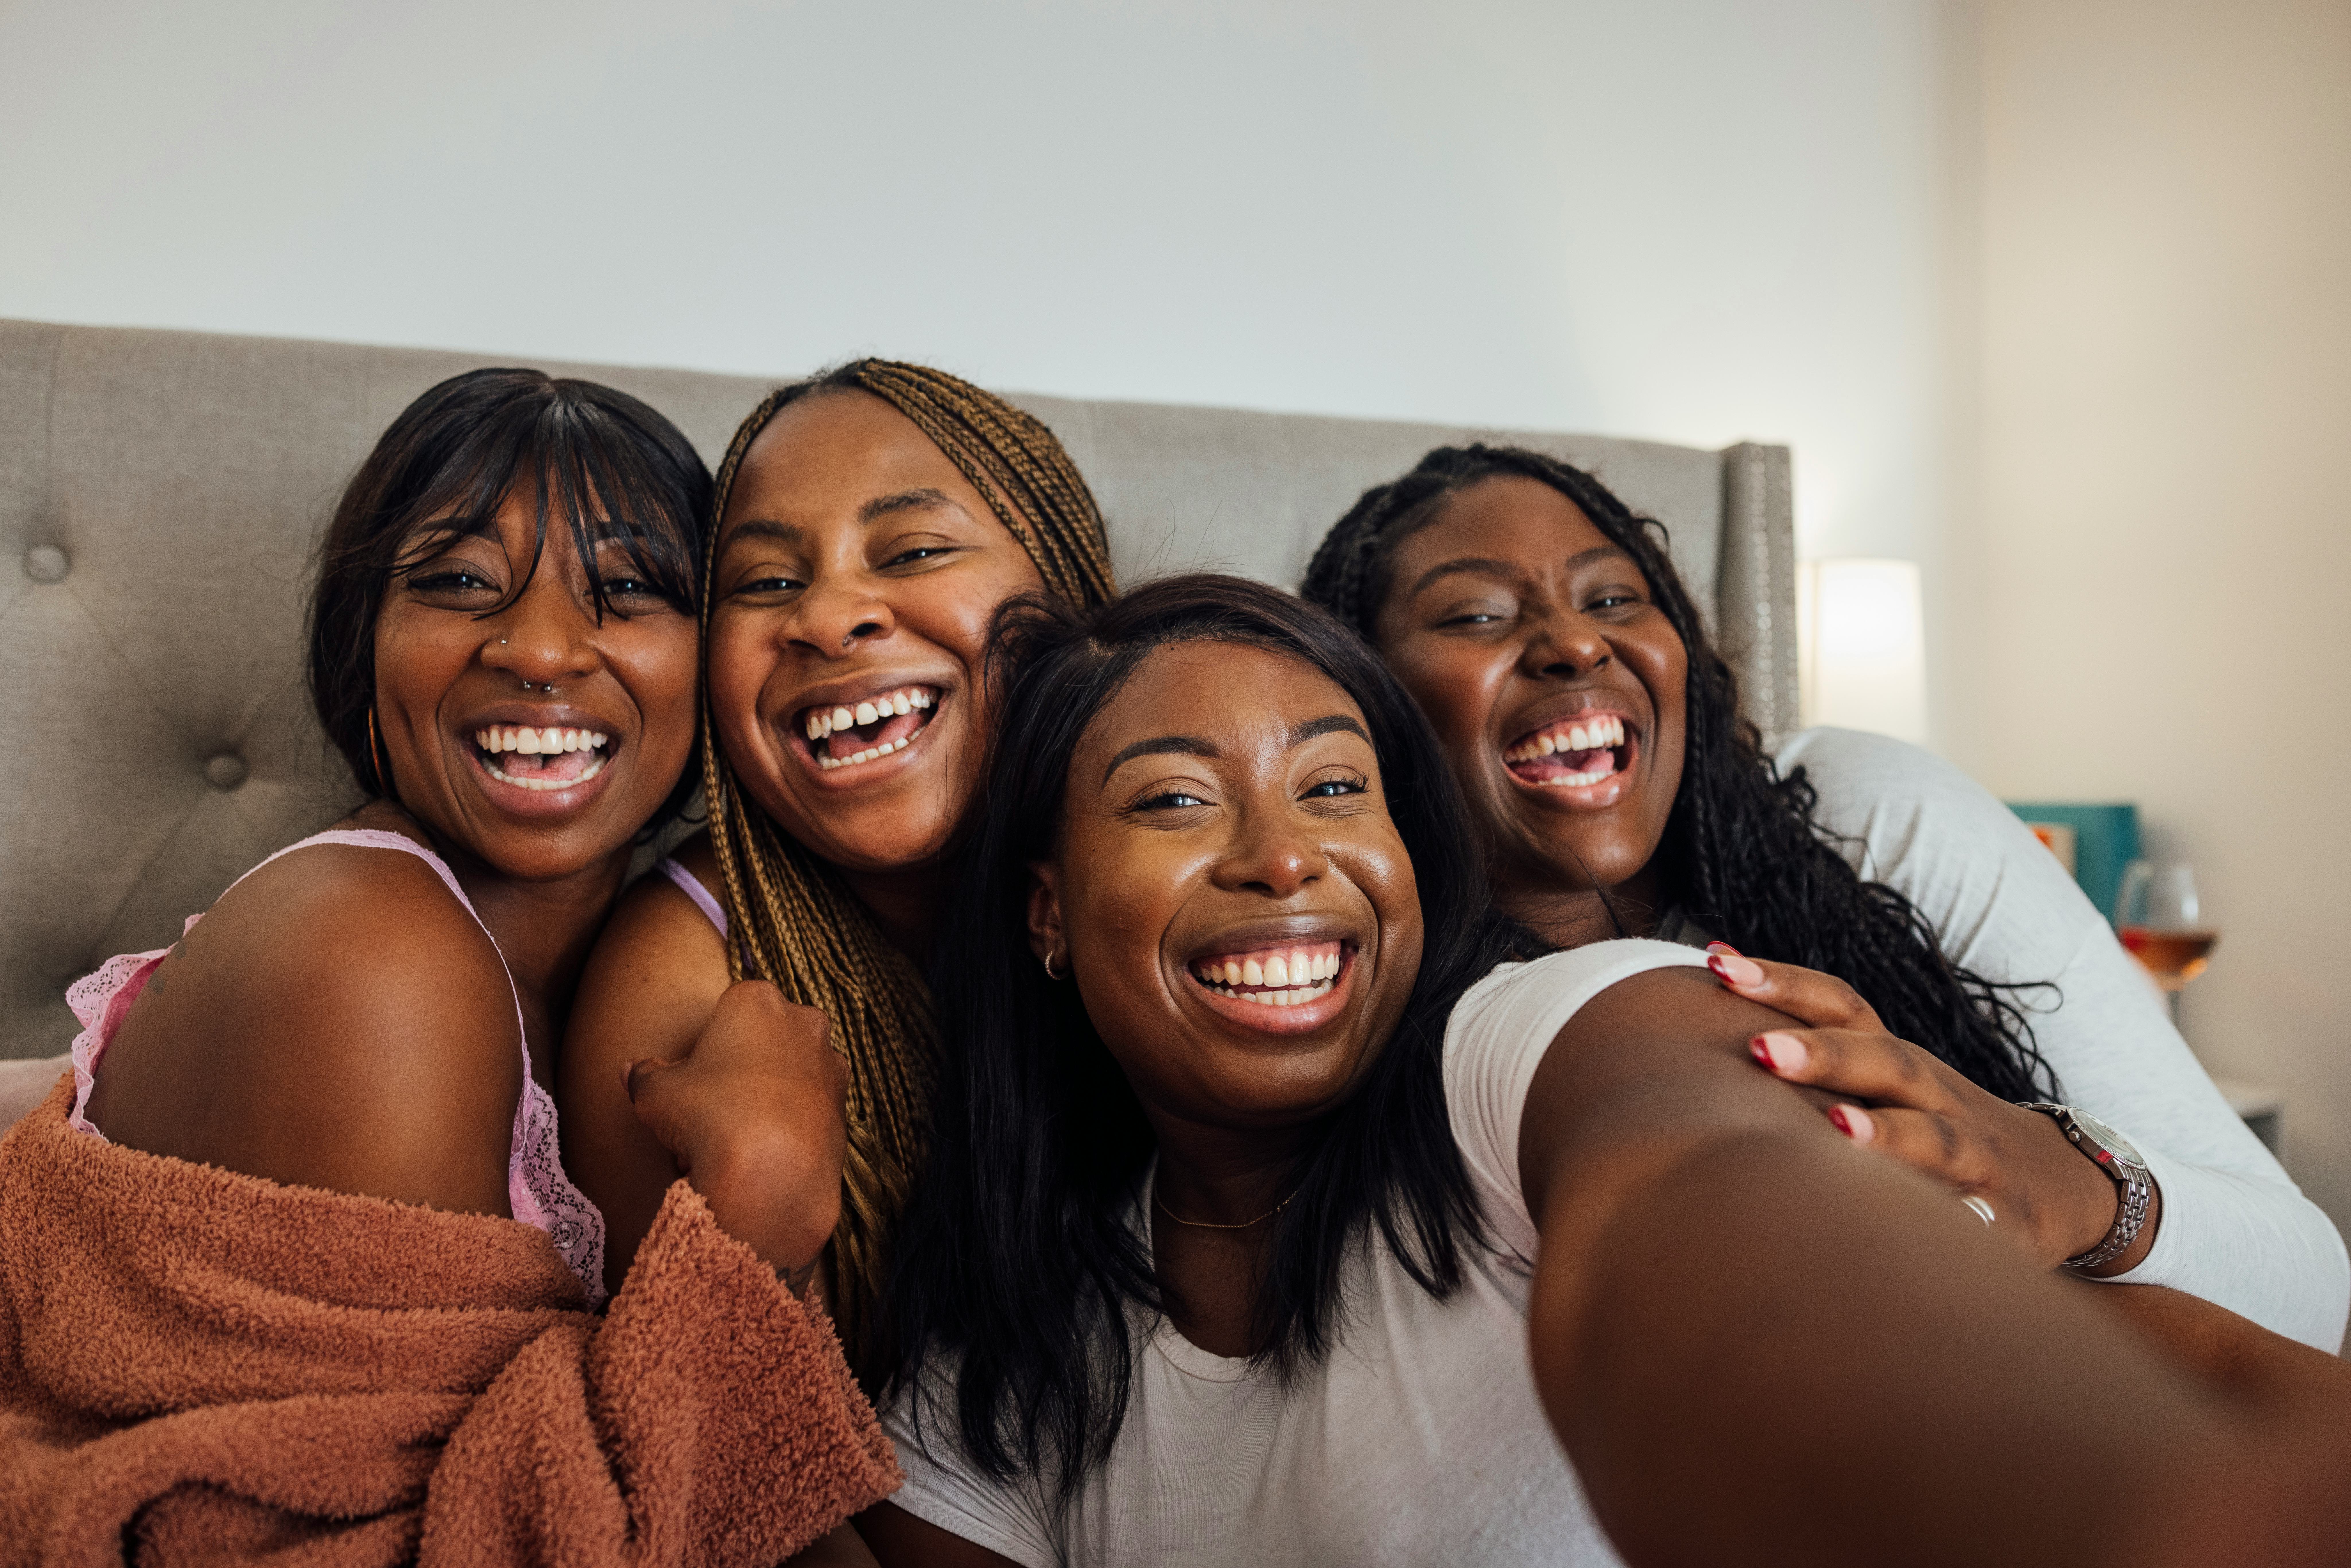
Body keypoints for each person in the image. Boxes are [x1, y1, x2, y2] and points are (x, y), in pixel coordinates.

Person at [859, 574, 2344, 1568]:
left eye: (1333, 785)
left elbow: (1721, 1214)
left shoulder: (1549, 1040)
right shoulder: (988, 1369)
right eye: (1177, 798)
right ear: (1047, 906)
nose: (1284, 855)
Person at [0, 370, 897, 1563]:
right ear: (360, 642)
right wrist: (749, 1231)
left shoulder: (640, 944)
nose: (536, 648)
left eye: (626, 590)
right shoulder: (374, 956)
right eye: (460, 583)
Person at [1299, 445, 2347, 1349]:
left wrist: (2069, 1185)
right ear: (1361, 704)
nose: (1577, 644)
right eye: (1478, 614)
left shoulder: (1865, 815)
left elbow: (2311, 1291)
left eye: (1615, 597)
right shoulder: (1332, 985)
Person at [559, 361, 1116, 1363]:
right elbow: (727, 1469)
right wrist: (760, 1231)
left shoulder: (1183, 873)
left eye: (913, 551)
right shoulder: (678, 982)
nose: (826, 617)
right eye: (769, 582)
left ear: (1068, 595)